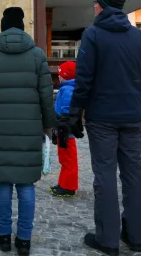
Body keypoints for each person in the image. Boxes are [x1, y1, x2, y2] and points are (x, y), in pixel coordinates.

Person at [65, 0, 141, 256]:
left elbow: (84, 80)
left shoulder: (92, 35)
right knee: (133, 174)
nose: (93, 6)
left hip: (102, 117)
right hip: (132, 116)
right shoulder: (139, 38)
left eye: (95, 2)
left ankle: (108, 239)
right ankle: (135, 236)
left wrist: (74, 114)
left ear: (103, 5)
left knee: (104, 175)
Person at [0, 7, 56, 256]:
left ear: (2, 27)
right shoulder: (38, 56)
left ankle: (3, 236)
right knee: (26, 184)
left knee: (2, 181)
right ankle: (24, 240)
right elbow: (45, 94)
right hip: (29, 128)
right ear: (22, 27)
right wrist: (48, 125)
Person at [50, 61, 79, 198]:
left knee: (68, 159)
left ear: (66, 76)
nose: (59, 77)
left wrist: (62, 128)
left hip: (65, 130)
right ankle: (63, 183)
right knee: (64, 158)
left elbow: (66, 111)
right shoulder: (67, 88)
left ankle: (68, 187)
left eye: (61, 74)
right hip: (62, 129)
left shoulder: (68, 89)